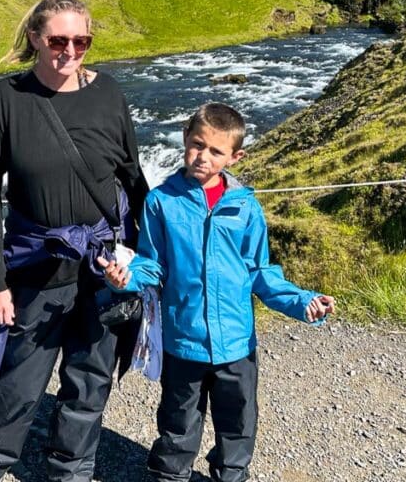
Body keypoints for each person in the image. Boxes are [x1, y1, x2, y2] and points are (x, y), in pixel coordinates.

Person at [0, 0, 150, 482]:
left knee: (90, 379)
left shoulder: (109, 93)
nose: (70, 50)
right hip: (37, 265)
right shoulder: (8, 98)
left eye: (81, 41)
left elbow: (133, 178)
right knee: (19, 382)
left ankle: (71, 472)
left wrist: (146, 260)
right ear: (36, 40)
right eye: (58, 40)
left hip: (103, 265)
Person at [99, 102, 335, 482]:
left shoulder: (246, 207)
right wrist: (126, 277)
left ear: (234, 156)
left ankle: (230, 476)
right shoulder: (161, 202)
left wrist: (303, 301)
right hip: (182, 341)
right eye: (196, 145)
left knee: (238, 425)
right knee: (178, 423)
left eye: (215, 151)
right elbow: (151, 263)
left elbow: (261, 272)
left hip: (237, 345)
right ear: (184, 140)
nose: (202, 157)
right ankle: (170, 476)